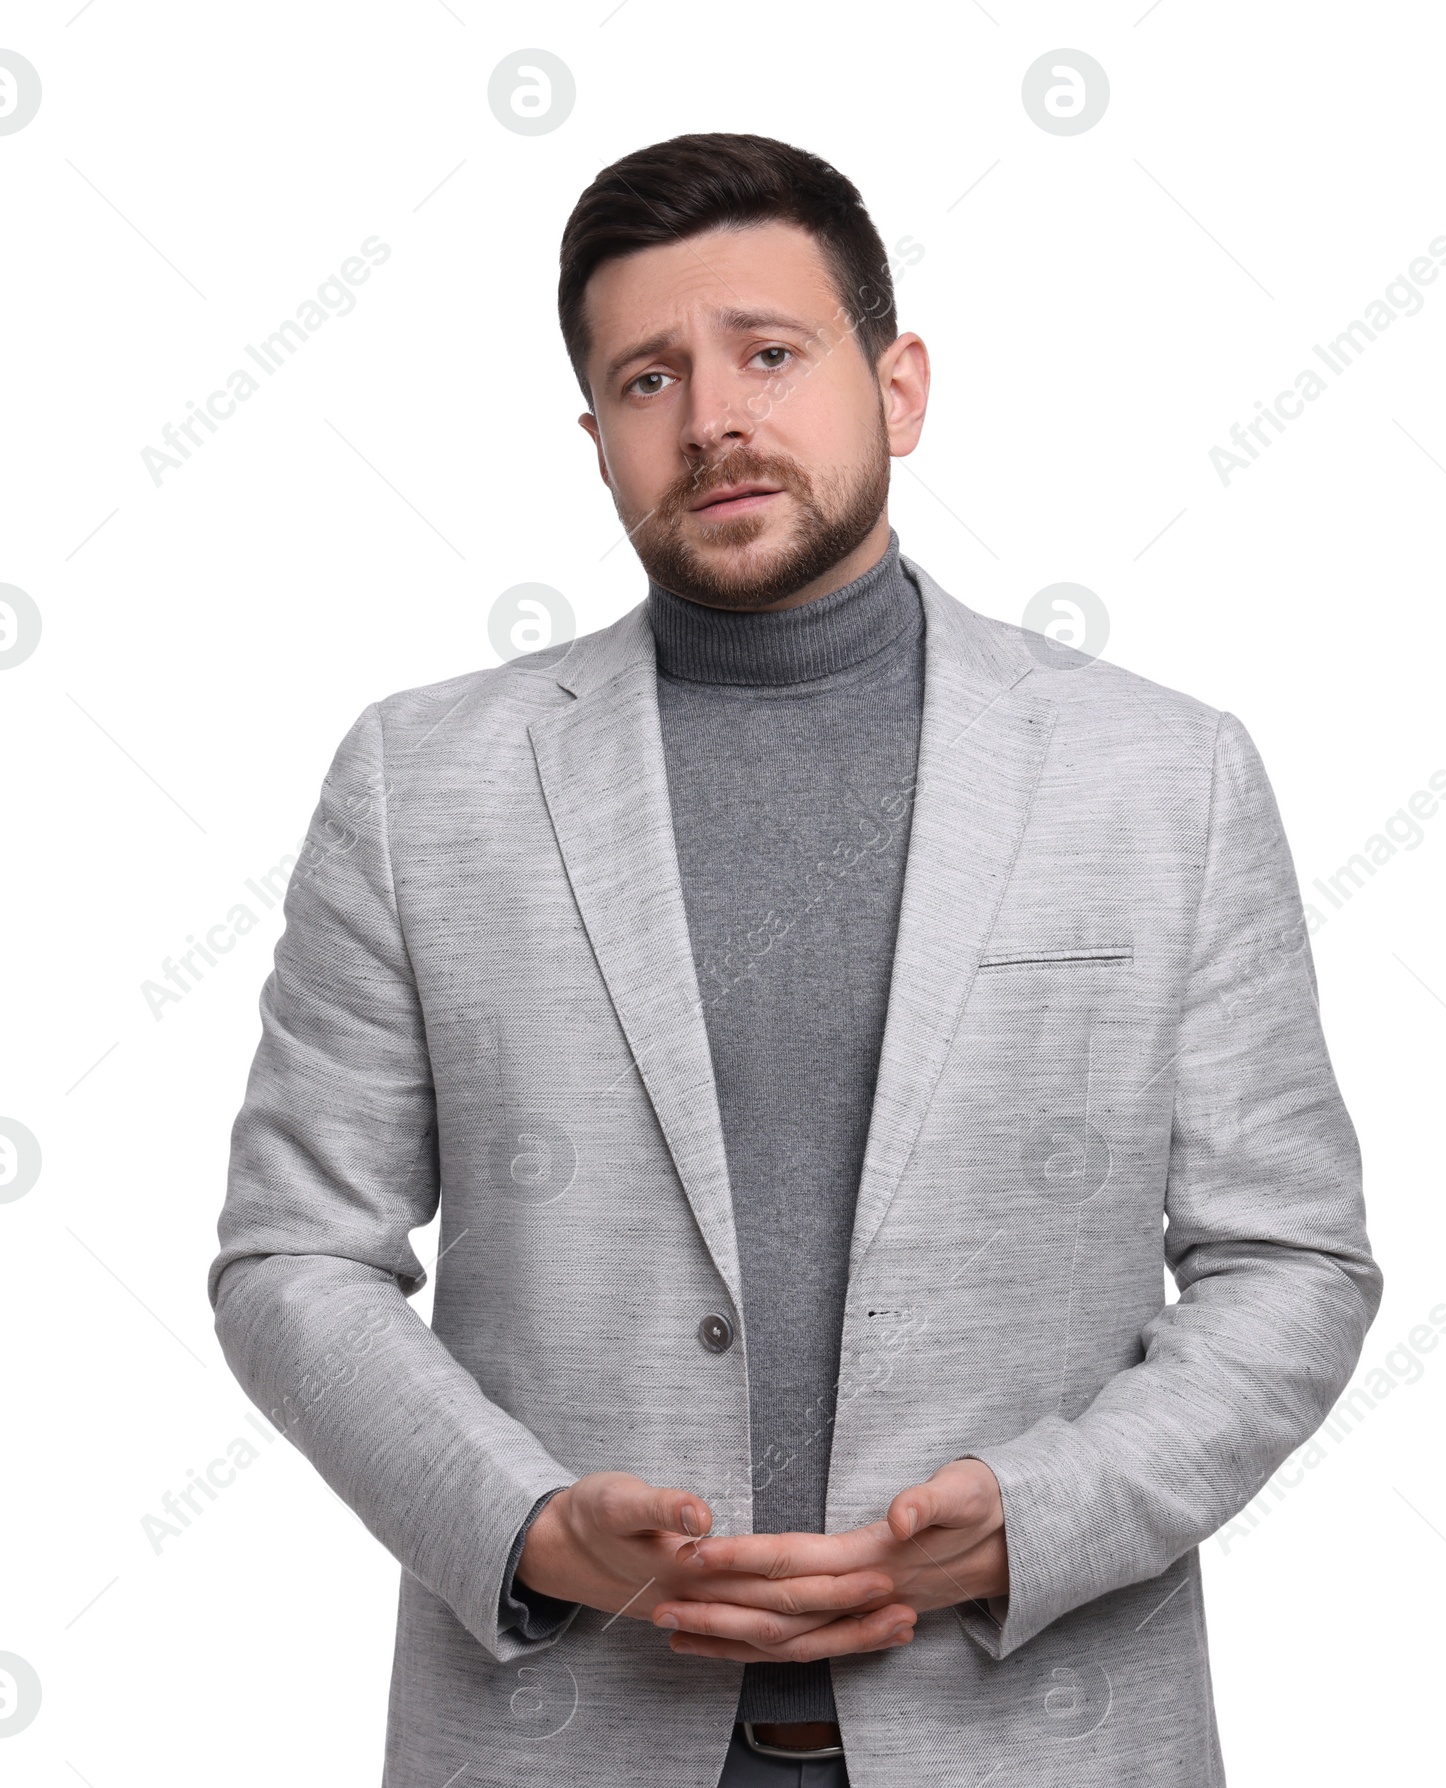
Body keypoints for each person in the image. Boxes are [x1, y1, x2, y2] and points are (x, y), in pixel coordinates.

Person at [209, 131, 1382, 1788]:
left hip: (1036, 1731)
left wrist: (1025, 1525)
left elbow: (1291, 1265)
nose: (712, 420)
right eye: (645, 379)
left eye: (770, 353)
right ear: (597, 437)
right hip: (565, 1734)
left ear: (897, 386)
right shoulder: (426, 784)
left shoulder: (1161, 777)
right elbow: (291, 1257)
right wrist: (530, 1528)